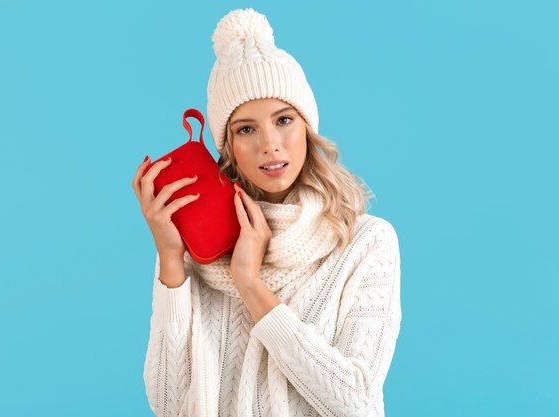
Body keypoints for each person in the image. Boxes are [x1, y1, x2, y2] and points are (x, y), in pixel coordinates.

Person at [132, 7, 402, 417]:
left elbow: (357, 405)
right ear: (227, 147)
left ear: (307, 128)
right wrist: (171, 259)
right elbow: (169, 404)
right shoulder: (198, 250)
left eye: (284, 120)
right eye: (246, 129)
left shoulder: (365, 242)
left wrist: (250, 283)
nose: (270, 144)